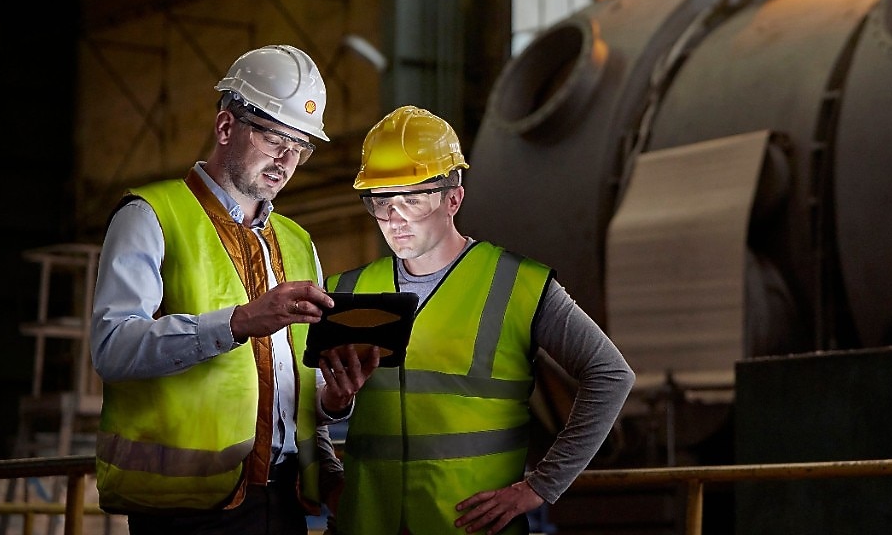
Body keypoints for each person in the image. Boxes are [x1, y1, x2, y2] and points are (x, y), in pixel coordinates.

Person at [89, 45, 380, 535]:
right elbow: (113, 347)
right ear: (226, 127)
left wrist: (334, 402)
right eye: (275, 138)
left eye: (301, 146)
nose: (287, 160)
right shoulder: (151, 216)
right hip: (184, 511)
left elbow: (288, 389)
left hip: (283, 501)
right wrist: (239, 322)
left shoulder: (297, 241)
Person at [325, 105, 635, 535]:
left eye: (413, 199)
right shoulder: (346, 290)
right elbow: (303, 402)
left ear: (454, 198)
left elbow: (611, 375)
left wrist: (542, 486)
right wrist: (324, 475)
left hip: (468, 527)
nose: (395, 218)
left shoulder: (518, 285)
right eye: (381, 202)